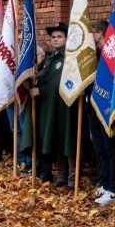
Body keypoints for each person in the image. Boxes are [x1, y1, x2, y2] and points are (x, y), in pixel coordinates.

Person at [31, 23, 76, 188]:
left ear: (66, 39)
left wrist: (41, 90)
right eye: (53, 37)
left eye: (59, 37)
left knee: (68, 140)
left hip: (65, 106)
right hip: (51, 107)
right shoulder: (50, 59)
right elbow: (45, 77)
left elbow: (58, 83)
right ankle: (62, 176)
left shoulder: (69, 58)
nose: (55, 39)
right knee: (57, 139)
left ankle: (72, 178)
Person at [89, 20, 115, 205]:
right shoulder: (95, 55)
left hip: (109, 107)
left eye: (93, 32)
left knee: (110, 149)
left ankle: (113, 188)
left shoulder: (112, 55)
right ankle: (105, 181)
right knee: (100, 149)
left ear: (99, 34)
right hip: (94, 106)